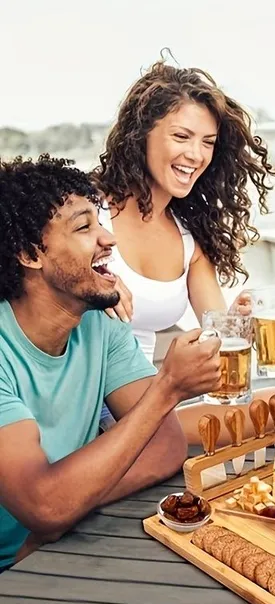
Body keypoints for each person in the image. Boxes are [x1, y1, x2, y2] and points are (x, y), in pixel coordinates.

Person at [0, 155, 223, 571]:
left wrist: (68, 504)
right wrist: (167, 388)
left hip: (58, 545)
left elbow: (167, 445)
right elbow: (43, 503)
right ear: (31, 254)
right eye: (84, 227)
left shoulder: (99, 322)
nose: (109, 239)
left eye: (100, 222)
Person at [90, 57, 275, 443]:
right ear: (141, 135)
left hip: (154, 399)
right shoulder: (88, 213)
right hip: (101, 407)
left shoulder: (189, 239)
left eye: (207, 143)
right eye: (181, 136)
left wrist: (239, 319)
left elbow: (214, 337)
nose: (196, 155)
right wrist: (91, 286)